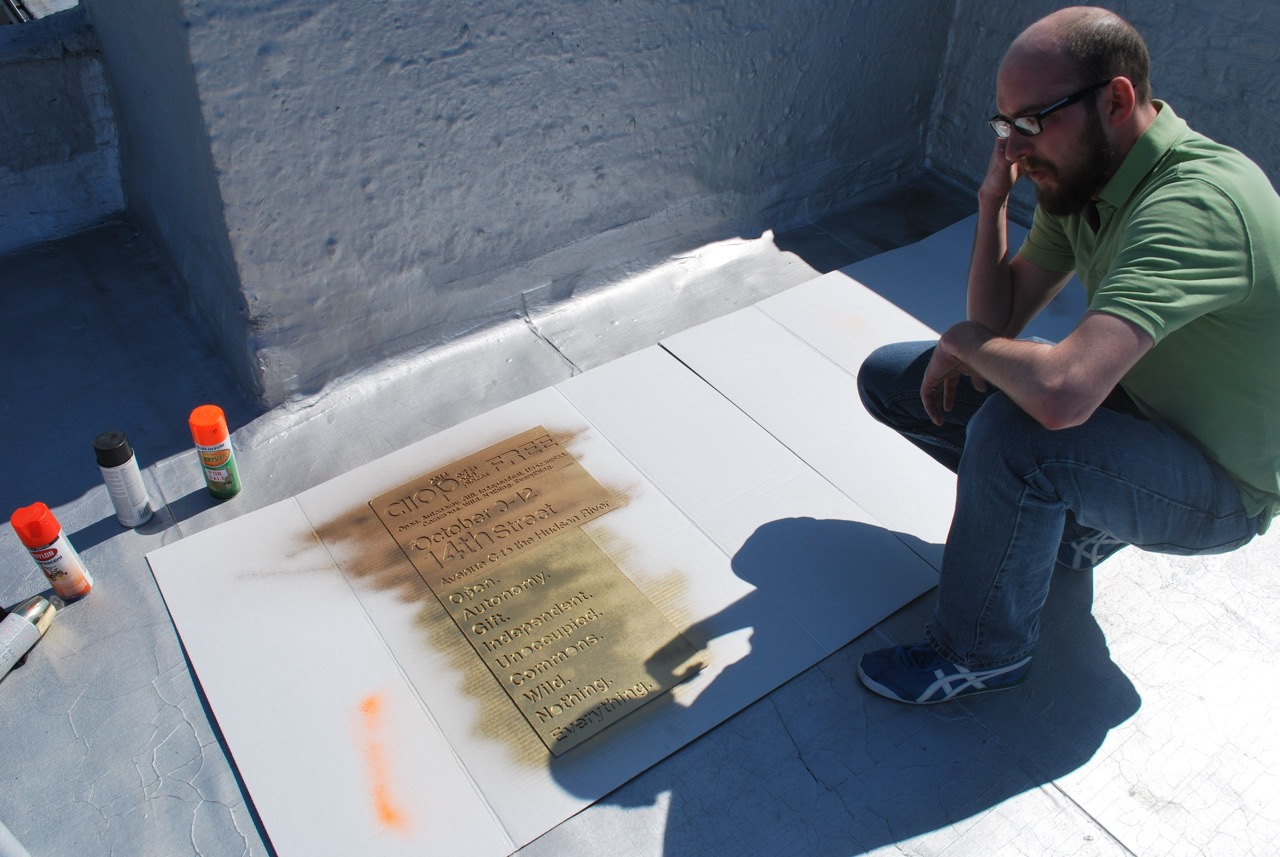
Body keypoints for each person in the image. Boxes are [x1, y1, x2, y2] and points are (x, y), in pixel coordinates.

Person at [855, 6, 1280, 704]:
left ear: (1115, 100)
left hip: (1221, 485)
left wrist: (966, 342)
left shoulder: (1196, 207)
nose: (1015, 147)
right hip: (1141, 410)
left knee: (1017, 433)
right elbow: (996, 321)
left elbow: (1060, 393)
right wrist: (992, 199)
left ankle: (982, 650)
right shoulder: (1083, 174)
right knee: (894, 379)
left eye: (1031, 121)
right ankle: (1084, 523)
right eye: (1004, 125)